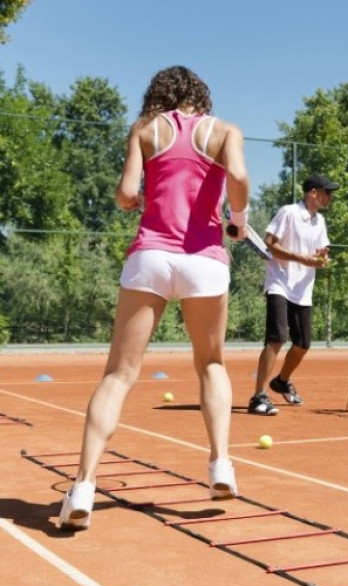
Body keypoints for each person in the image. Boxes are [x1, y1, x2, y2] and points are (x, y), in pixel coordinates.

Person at [58, 66, 250, 529]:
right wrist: (239, 218)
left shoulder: (144, 130)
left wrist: (138, 198)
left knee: (119, 374)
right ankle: (220, 463)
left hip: (149, 258)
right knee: (211, 364)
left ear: (158, 96)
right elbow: (239, 177)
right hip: (204, 261)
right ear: (200, 98)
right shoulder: (224, 130)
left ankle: (83, 486)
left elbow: (126, 193)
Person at [248, 174, 339, 416]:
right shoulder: (288, 212)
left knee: (303, 344)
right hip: (279, 283)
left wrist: (322, 255)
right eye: (327, 192)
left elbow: (321, 248)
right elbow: (269, 243)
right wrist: (302, 258)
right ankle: (258, 396)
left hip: (303, 288)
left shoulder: (319, 221)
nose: (331, 196)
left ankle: (280, 381)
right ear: (313, 193)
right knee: (276, 338)